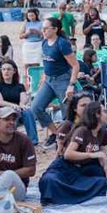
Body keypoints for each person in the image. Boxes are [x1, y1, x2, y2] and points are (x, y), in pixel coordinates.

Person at [37, 101, 107, 205]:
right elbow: (68, 154)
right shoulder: (82, 130)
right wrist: (92, 154)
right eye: (105, 112)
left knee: (101, 182)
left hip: (78, 171)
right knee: (49, 181)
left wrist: (105, 165)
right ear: (97, 114)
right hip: (65, 167)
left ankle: (66, 196)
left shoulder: (101, 132)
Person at [30, 17, 80, 145]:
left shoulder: (62, 44)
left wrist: (71, 85)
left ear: (55, 29)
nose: (44, 31)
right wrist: (43, 76)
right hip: (49, 80)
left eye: (46, 28)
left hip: (63, 79)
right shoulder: (44, 42)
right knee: (36, 107)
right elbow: (46, 61)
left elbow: (75, 65)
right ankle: (56, 133)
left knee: (67, 113)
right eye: (43, 28)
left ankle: (68, 139)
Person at [0, 60, 38, 142]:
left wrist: (22, 104)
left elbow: (23, 99)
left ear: (14, 71)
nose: (6, 72)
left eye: (9, 69)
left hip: (17, 112)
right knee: (12, 111)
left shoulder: (19, 86)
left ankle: (33, 141)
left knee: (28, 111)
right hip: (2, 112)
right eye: (4, 69)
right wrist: (12, 105)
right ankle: (11, 140)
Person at [19, 7, 44, 75]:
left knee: (37, 63)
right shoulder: (26, 23)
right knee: (27, 63)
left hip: (38, 44)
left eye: (32, 15)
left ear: (36, 15)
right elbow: (20, 36)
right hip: (28, 45)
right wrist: (27, 33)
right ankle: (28, 78)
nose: (31, 17)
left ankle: (36, 78)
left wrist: (37, 32)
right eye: (29, 16)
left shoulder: (41, 23)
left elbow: (44, 35)